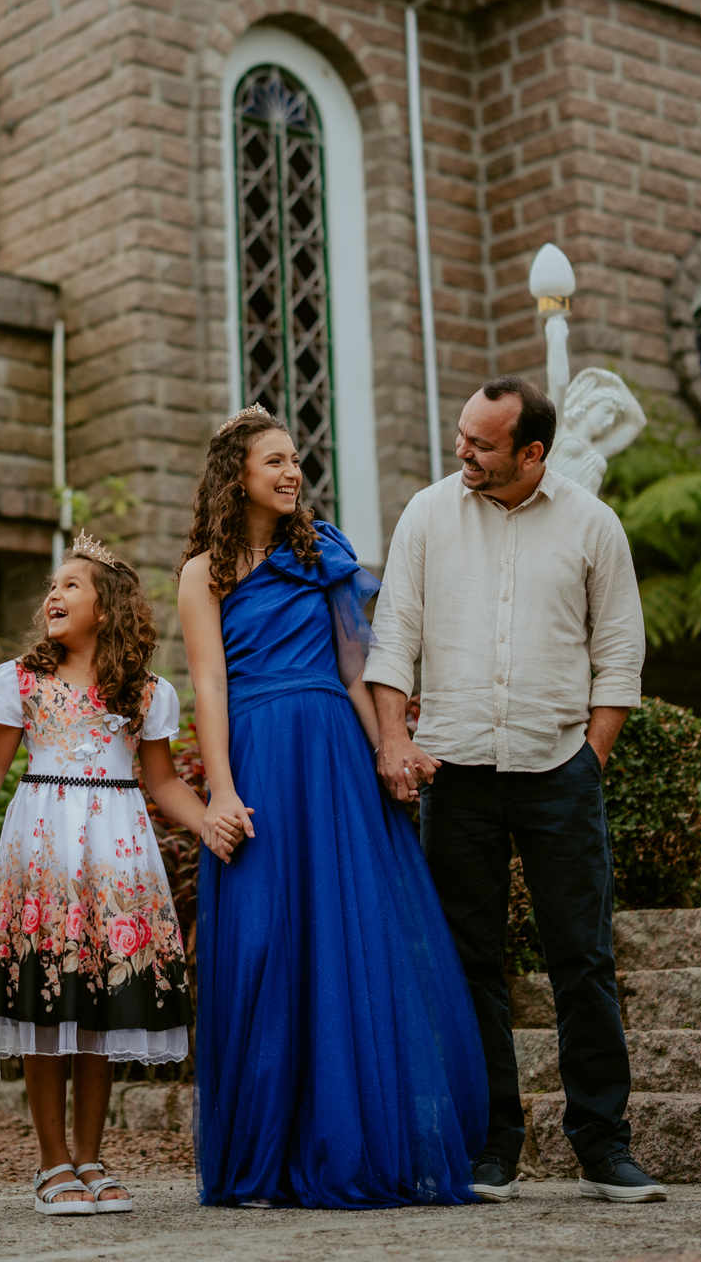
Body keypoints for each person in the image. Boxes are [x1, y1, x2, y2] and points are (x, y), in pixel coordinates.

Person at [366, 374, 665, 1204]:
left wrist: (589, 759)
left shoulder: (593, 526)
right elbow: (393, 641)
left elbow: (619, 654)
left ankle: (604, 1144)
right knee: (470, 967)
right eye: (462, 434)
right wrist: (397, 739)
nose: (462, 451)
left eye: (482, 444)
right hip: (455, 773)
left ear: (532, 452)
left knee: (584, 959)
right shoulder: (427, 514)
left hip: (557, 772)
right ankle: (492, 1145)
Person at [179, 406, 487, 1209]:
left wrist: (387, 750)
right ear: (234, 476)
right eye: (274, 461)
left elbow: (358, 669)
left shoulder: (325, 554)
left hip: (332, 759)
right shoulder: (202, 571)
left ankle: (353, 1145)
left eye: (295, 460)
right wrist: (223, 789)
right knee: (263, 944)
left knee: (351, 941)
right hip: (256, 757)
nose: (291, 473)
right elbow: (208, 685)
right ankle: (261, 1160)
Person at [0, 530, 228, 1216]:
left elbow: (163, 782)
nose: (54, 594)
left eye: (71, 586)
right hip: (45, 855)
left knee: (100, 1008)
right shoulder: (19, 681)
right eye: (52, 586)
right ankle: (51, 1161)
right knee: (47, 1004)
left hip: (116, 857)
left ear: (107, 608)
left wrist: (211, 820)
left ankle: (91, 1156)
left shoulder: (144, 695)